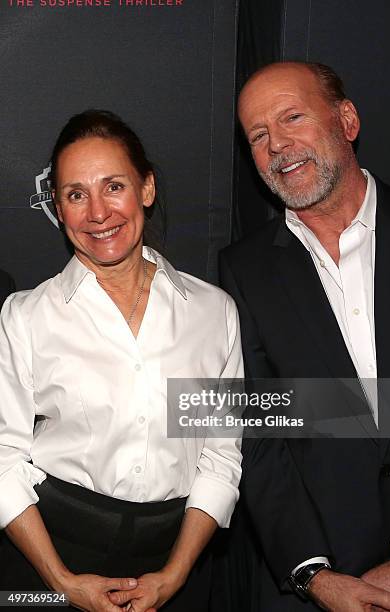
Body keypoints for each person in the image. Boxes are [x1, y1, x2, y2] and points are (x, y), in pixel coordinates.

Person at [0, 110, 243, 612]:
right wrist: (62, 583)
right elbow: (3, 460)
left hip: (178, 562)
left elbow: (219, 456)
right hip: (50, 558)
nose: (97, 212)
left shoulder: (212, 312)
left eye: (114, 186)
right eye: (75, 194)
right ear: (58, 208)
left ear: (146, 189)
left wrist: (174, 577)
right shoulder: (26, 317)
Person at [219, 62, 390, 611]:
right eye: (258, 135)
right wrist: (314, 575)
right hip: (324, 584)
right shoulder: (244, 269)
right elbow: (259, 429)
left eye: (292, 117)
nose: (277, 144)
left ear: (347, 120)